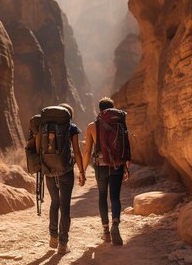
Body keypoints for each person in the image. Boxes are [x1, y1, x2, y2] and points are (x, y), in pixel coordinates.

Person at [82, 97, 131, 246]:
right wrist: (126, 167)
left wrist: (82, 171)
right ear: (113, 108)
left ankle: (105, 232)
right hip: (117, 164)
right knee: (115, 197)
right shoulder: (120, 123)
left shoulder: (92, 126)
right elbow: (126, 146)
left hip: (100, 166)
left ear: (99, 109)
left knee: (102, 196)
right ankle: (115, 224)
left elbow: (87, 151)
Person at [41, 103, 85, 255]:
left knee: (54, 202)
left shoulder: (44, 126)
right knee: (65, 206)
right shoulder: (71, 128)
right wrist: (81, 171)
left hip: (49, 171)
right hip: (65, 171)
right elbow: (77, 151)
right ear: (68, 116)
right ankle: (63, 244)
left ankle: (53, 236)